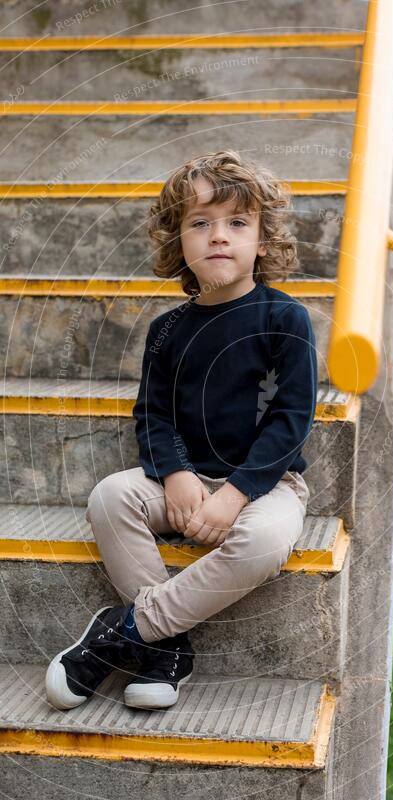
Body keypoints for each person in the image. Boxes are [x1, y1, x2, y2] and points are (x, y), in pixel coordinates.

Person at [45, 149, 317, 711]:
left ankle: (128, 631)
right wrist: (173, 473)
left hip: (266, 486)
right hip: (185, 484)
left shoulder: (284, 318)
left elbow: (292, 419)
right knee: (110, 496)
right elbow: (153, 415)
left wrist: (237, 494)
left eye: (237, 223)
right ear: (181, 243)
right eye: (201, 223)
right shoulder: (168, 329)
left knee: (265, 540)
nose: (219, 236)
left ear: (262, 241)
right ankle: (167, 650)